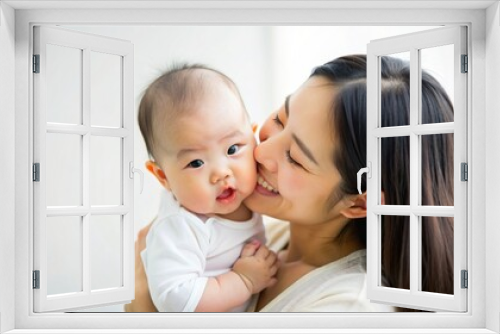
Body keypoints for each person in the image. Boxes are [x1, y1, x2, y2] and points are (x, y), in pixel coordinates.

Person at [126, 54, 454, 312]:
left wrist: (140, 306)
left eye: (295, 157)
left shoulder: (347, 308)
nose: (261, 149)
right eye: (280, 119)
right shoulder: (269, 231)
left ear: (359, 202)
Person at [136, 64, 278, 312]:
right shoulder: (183, 226)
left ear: (252, 137)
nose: (221, 172)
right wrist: (242, 281)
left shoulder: (250, 196)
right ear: (163, 177)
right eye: (196, 163)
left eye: (233, 149)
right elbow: (174, 298)